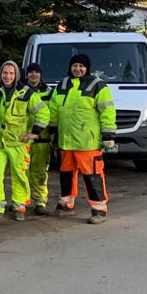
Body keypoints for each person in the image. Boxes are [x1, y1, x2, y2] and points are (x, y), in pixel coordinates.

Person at [48, 53, 117, 224]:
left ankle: (99, 209)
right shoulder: (62, 85)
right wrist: (52, 129)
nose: (77, 69)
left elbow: (107, 112)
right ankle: (66, 204)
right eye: (74, 66)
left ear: (87, 68)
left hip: (88, 142)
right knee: (66, 174)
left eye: (81, 66)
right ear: (70, 67)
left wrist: (108, 135)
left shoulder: (98, 85)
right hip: (66, 141)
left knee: (92, 175)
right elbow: (54, 109)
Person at [0, 61, 50, 222]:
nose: (8, 76)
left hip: (18, 143)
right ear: (0, 74)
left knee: (19, 175)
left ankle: (19, 205)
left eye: (11, 73)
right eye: (5, 73)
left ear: (17, 75)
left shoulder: (26, 93)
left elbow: (43, 112)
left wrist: (34, 133)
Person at [24, 63, 55, 215]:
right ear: (27, 75)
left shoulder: (49, 92)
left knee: (40, 172)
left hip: (42, 139)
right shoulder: (21, 91)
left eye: (36, 72)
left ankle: (40, 202)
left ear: (41, 74)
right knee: (21, 172)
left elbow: (53, 113)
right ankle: (22, 201)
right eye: (30, 72)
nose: (33, 75)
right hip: (24, 139)